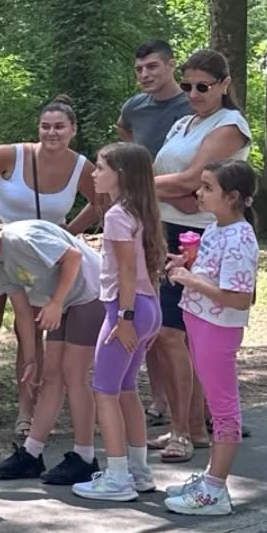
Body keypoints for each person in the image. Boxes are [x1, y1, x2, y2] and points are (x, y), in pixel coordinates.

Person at [0, 95, 100, 434]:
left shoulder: (81, 167)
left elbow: (100, 201)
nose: (51, 133)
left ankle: (26, 411)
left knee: (31, 328)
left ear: (73, 130)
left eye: (59, 127)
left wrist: (70, 232)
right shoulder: (15, 155)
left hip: (39, 256)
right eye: (45, 126)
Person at [0, 220, 104, 485]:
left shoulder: (21, 239)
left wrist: (56, 302)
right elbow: (23, 311)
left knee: (74, 375)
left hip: (91, 292)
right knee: (50, 377)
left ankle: (85, 458)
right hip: (64, 302)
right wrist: (30, 359)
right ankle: (32, 454)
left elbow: (72, 256)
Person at [149, 48, 251, 464]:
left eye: (203, 87)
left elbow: (195, 181)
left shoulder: (230, 125)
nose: (193, 94)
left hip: (201, 236)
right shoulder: (183, 122)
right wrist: (169, 190)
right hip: (166, 229)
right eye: (187, 85)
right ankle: (188, 424)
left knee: (177, 334)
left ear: (225, 85)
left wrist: (138, 184)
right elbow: (176, 182)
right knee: (170, 333)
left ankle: (188, 430)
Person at [163, 160, 260, 515]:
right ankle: (210, 480)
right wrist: (186, 265)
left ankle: (215, 491)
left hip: (217, 329)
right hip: (201, 322)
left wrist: (191, 281)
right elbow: (214, 274)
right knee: (219, 406)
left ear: (232, 197)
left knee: (223, 409)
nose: (198, 193)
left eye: (207, 188)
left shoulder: (240, 237)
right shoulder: (217, 228)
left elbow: (238, 297)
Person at [70, 143, 165, 502]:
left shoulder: (116, 215)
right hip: (146, 307)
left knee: (104, 391)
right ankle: (139, 472)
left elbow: (126, 270)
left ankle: (117, 478)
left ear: (120, 174)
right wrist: (149, 319)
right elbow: (147, 268)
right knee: (126, 390)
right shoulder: (141, 211)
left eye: (100, 167)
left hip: (125, 310)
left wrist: (124, 318)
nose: (94, 174)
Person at [116, 38, 190, 427]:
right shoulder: (134, 107)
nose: (145, 74)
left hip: (191, 217)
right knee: (156, 316)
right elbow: (126, 138)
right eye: (139, 69)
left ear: (171, 65)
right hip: (149, 218)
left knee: (189, 322)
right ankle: (159, 400)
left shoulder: (192, 104)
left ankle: (199, 411)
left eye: (152, 67)